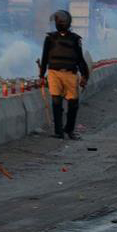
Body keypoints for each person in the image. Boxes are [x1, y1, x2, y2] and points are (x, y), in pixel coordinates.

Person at [39, 10, 89, 140]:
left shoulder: (75, 39)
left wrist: (85, 75)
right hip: (54, 73)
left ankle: (69, 130)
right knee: (56, 102)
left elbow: (80, 59)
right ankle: (58, 131)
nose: (60, 23)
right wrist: (41, 75)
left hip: (70, 74)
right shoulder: (50, 38)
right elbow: (44, 58)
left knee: (73, 104)